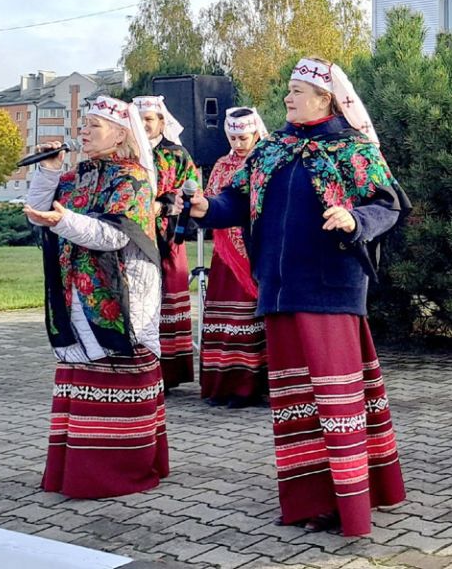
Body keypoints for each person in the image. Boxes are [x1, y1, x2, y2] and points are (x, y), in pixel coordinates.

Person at [183, 57, 410, 536]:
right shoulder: (270, 151)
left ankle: (351, 502)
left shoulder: (352, 149)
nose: (287, 98)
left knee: (335, 398)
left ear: (325, 99)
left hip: (331, 288)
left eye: (297, 91)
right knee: (294, 401)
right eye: (287, 90)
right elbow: (237, 202)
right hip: (278, 291)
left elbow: (387, 204)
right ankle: (309, 501)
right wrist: (207, 207)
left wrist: (355, 220)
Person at [23, 96, 168, 498]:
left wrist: (64, 221)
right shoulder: (76, 178)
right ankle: (77, 470)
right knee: (83, 368)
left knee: (117, 364)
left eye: (95, 126)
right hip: (76, 290)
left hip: (120, 293)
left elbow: (113, 235)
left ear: (121, 134)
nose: (83, 132)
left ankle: (119, 472)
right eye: (83, 125)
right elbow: (36, 212)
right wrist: (49, 172)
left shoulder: (134, 180)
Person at [200, 107, 269, 408]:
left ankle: (250, 386)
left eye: (243, 137)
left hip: (255, 250)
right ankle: (224, 384)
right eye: (233, 137)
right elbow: (212, 200)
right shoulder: (221, 163)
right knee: (224, 318)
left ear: (256, 133)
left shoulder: (265, 161)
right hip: (225, 253)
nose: (239, 143)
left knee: (251, 317)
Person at [133, 95, 202, 391]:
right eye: (140, 119)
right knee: (137, 300)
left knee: (169, 299)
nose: (145, 125)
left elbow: (190, 192)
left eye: (150, 119)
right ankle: (138, 368)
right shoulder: (128, 152)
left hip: (169, 236)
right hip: (134, 237)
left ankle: (170, 373)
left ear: (162, 121)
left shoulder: (177, 154)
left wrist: (165, 205)